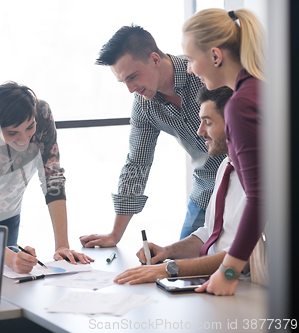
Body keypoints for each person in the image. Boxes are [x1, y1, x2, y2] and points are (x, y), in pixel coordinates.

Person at [80, 24, 225, 248]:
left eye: (133, 76)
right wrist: (114, 235)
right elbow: (137, 164)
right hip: (205, 189)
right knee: (182, 267)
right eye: (123, 82)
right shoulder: (144, 105)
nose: (130, 89)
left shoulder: (201, 73)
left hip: (246, 179)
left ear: (155, 59)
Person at [0, 81, 93, 274]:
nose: (24, 138)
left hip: (7, 204)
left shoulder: (42, 113)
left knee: (3, 278)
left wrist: (62, 246)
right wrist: (10, 259)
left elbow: (52, 178)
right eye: (12, 133)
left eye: (29, 127)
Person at [114, 86, 245, 284]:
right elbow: (209, 233)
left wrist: (170, 269)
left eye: (208, 123)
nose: (200, 132)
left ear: (232, 125)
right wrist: (167, 252)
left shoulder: (260, 180)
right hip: (214, 282)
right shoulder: (225, 166)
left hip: (241, 284)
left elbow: (242, 256)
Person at [182, 8, 264, 295]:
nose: (190, 69)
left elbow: (261, 197)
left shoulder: (241, 105)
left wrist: (228, 273)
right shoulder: (261, 90)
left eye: (191, 59)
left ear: (216, 56)